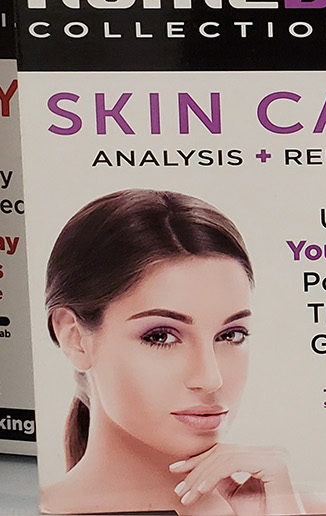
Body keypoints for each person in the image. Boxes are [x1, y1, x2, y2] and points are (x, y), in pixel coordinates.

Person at [41, 189, 311, 516]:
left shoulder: (288, 507)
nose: (210, 379)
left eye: (231, 335)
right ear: (74, 338)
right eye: (161, 336)